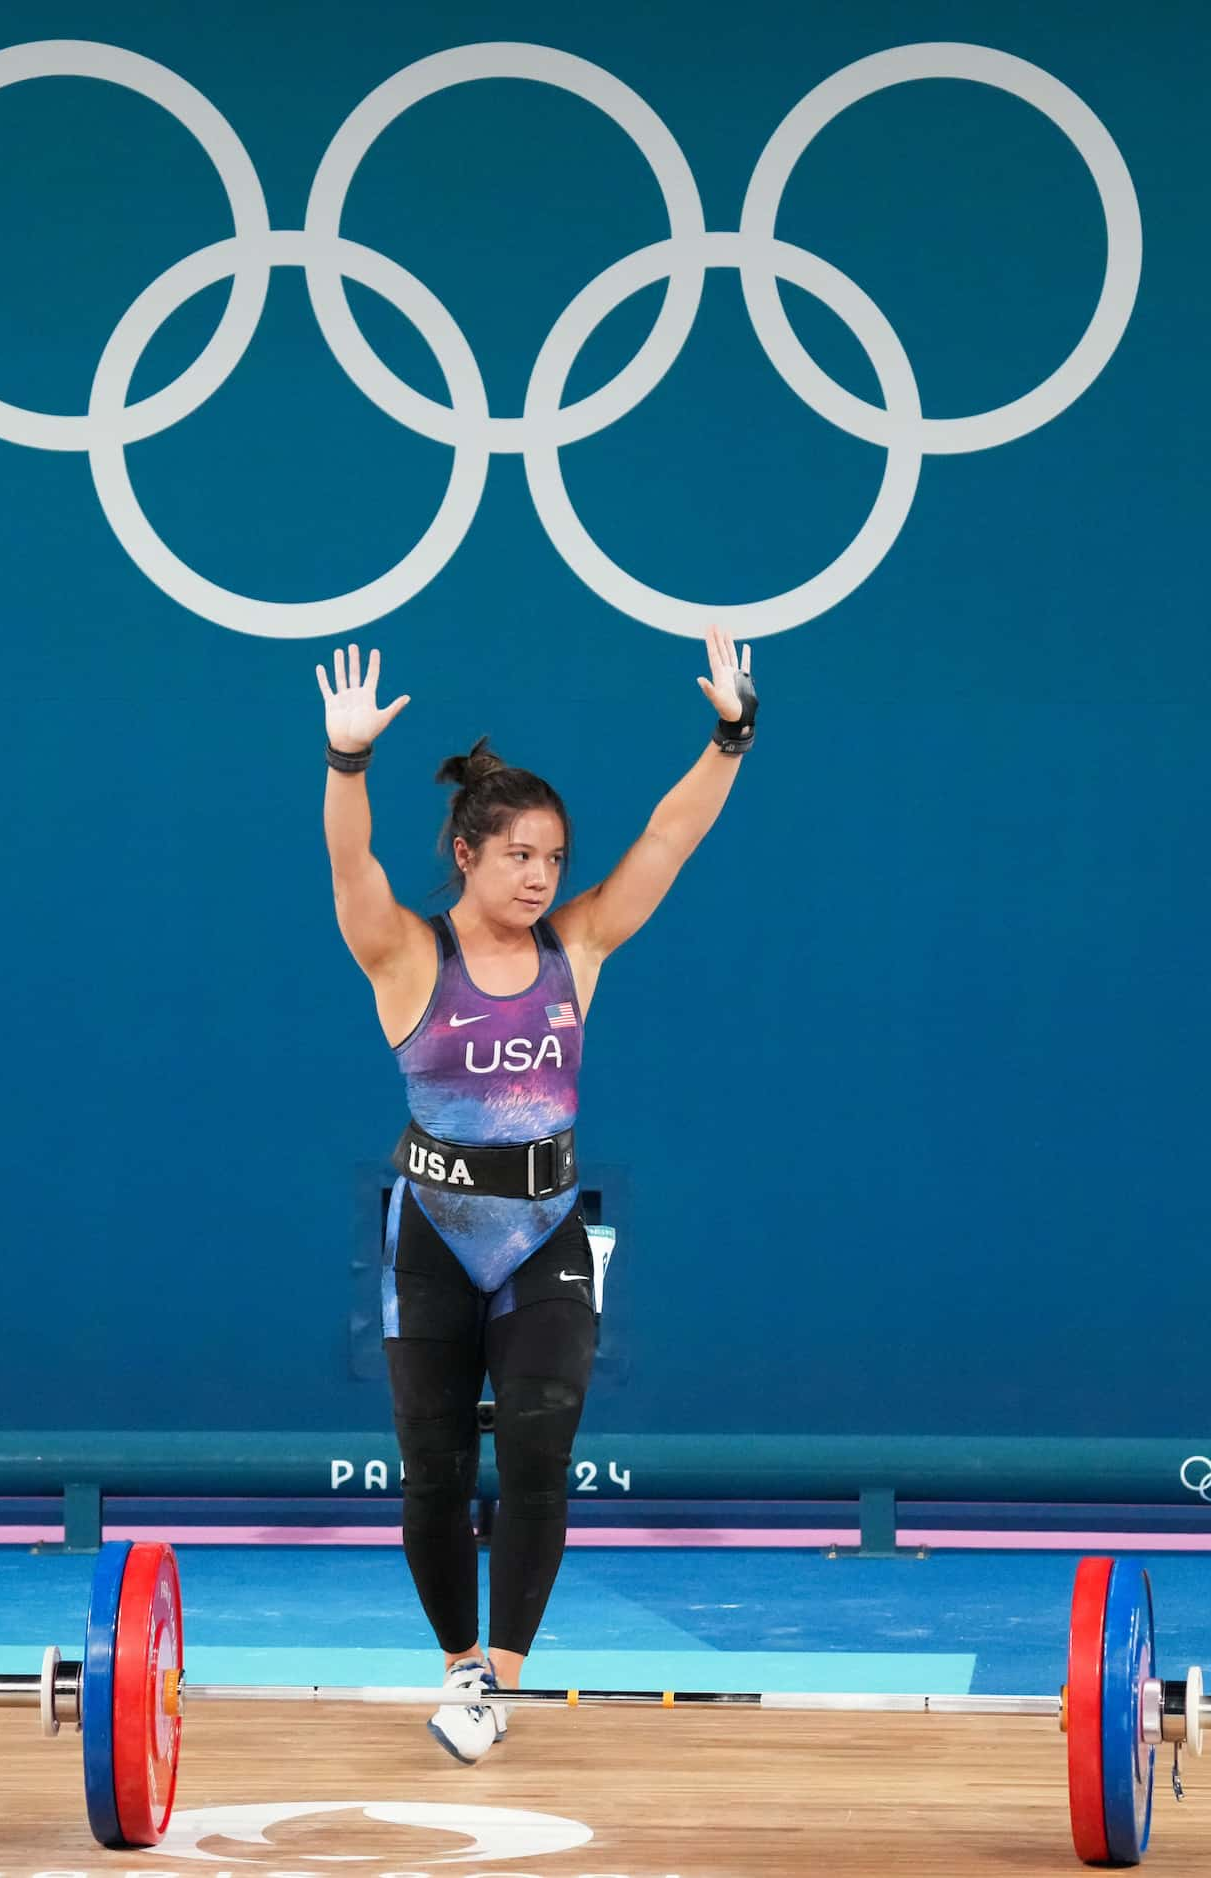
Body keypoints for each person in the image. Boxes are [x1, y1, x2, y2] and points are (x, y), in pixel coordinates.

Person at [316, 629, 757, 1763]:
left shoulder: (581, 947)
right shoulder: (408, 957)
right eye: (518, 855)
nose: (540, 877)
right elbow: (350, 869)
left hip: (547, 1235)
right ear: (465, 852)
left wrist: (729, 736)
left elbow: (670, 838)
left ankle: (495, 1684)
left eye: (553, 859)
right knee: (432, 1472)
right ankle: (459, 1660)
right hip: (431, 1239)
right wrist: (346, 765)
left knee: (540, 1454)